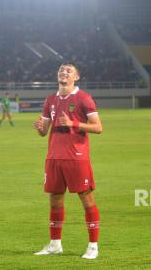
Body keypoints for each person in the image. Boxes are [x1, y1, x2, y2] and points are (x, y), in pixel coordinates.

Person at [33, 62, 103, 259]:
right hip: (54, 157)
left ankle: (93, 246)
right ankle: (55, 245)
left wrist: (74, 123)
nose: (64, 73)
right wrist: (39, 127)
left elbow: (98, 127)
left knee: (87, 200)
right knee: (55, 200)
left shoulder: (84, 98)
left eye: (68, 71)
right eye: (61, 70)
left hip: (77, 157)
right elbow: (44, 131)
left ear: (76, 77)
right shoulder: (50, 100)